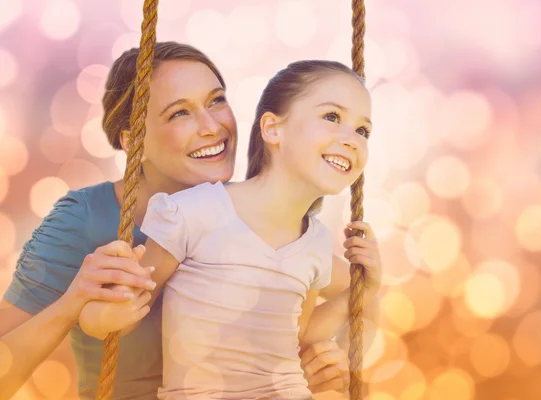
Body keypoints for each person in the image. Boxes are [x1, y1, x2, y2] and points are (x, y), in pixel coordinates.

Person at [0, 42, 379, 400]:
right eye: (179, 112)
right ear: (135, 142)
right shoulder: (87, 219)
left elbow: (358, 296)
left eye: (216, 101)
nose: (211, 127)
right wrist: (74, 302)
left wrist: (337, 361)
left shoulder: (259, 217)